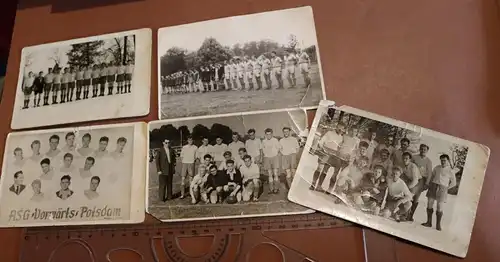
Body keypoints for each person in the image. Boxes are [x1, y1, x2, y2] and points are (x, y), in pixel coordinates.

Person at [421, 154, 457, 231]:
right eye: (441, 160)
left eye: (444, 160)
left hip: (443, 188)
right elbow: (432, 176)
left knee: (439, 206)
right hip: (433, 186)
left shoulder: (450, 170)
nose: (443, 162)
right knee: (430, 203)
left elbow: (454, 183)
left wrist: (446, 188)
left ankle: (438, 225)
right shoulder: (437, 167)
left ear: (448, 161)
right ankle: (429, 222)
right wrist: (430, 184)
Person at [310, 125, 345, 192]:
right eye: (339, 128)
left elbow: (339, 148)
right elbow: (321, 142)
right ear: (336, 127)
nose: (340, 130)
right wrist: (322, 149)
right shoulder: (329, 133)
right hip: (325, 151)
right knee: (319, 168)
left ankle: (319, 186)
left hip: (333, 155)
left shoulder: (341, 137)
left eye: (342, 129)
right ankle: (312, 184)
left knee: (325, 170)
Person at [408, 144, 433, 221]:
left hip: (421, 180)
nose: (423, 151)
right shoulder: (414, 157)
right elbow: (409, 166)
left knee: (416, 197)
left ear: (427, 151)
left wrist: (427, 183)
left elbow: (429, 173)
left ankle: (410, 215)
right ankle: (405, 212)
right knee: (409, 195)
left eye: (424, 150)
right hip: (413, 178)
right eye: (421, 149)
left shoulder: (428, 161)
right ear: (419, 149)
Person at [262, 128, 281, 194]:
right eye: (267, 134)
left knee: (275, 173)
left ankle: (276, 188)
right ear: (265, 134)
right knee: (270, 174)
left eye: (270, 134)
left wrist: (274, 154)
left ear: (272, 134)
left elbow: (278, 148)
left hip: (274, 157)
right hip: (267, 158)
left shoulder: (275, 140)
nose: (268, 136)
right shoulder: (264, 141)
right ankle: (271, 189)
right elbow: (263, 150)